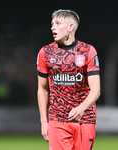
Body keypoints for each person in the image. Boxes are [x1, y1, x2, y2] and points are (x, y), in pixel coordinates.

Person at [37, 9, 100, 150]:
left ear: (71, 27)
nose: (53, 27)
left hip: (85, 119)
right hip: (57, 119)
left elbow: (96, 90)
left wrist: (81, 108)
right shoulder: (45, 53)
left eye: (58, 23)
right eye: (52, 24)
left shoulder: (88, 51)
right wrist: (43, 121)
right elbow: (42, 88)